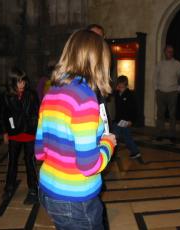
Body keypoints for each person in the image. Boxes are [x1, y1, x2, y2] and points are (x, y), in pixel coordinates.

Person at [35, 29, 117, 230]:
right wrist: (108, 143)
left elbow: (39, 151)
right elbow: (89, 166)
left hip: (48, 190)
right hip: (76, 198)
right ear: (98, 61)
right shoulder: (84, 97)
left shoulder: (52, 92)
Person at [0, 67, 39, 205]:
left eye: (23, 81)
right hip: (14, 134)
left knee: (30, 162)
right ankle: (9, 188)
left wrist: (34, 127)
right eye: (19, 82)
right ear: (12, 82)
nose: (22, 84)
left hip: (29, 133)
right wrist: (5, 132)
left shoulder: (31, 95)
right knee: (12, 162)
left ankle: (33, 189)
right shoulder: (5, 96)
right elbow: (2, 115)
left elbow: (36, 113)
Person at [154, 45, 180, 142]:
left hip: (172, 92)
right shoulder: (160, 64)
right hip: (160, 92)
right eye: (168, 51)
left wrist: (178, 89)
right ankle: (159, 134)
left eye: (171, 51)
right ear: (164, 52)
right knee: (160, 115)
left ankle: (172, 135)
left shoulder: (177, 64)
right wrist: (156, 89)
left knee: (172, 115)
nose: (170, 53)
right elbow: (156, 77)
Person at [113, 75, 141, 159]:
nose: (120, 86)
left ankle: (135, 152)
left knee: (127, 138)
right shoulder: (117, 93)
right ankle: (134, 152)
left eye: (121, 85)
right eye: (119, 84)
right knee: (115, 136)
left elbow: (134, 110)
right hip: (118, 120)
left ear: (125, 84)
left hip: (126, 121)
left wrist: (131, 121)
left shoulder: (130, 95)